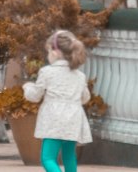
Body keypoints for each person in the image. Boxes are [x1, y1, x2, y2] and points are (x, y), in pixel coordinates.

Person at [23, 28, 93, 172]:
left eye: (48, 51)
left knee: (48, 158)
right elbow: (85, 98)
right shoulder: (79, 75)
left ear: (55, 52)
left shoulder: (47, 72)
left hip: (53, 119)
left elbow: (35, 95)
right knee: (69, 157)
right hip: (73, 119)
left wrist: (27, 87)